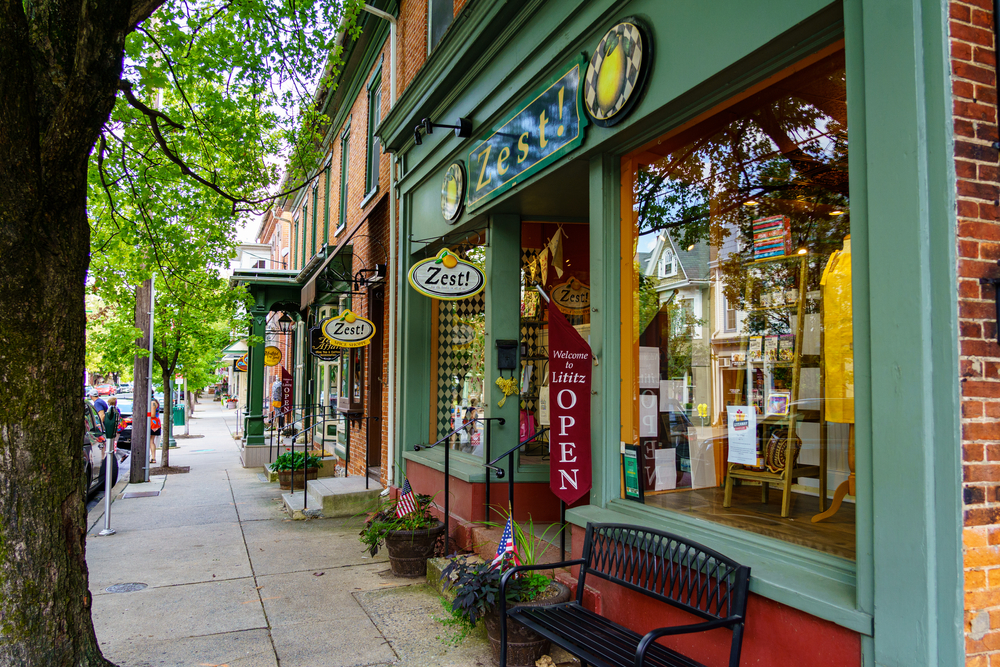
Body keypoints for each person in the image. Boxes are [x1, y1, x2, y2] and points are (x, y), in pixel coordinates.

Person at [148, 399, 161, 464]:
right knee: (151, 441)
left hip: (152, 423)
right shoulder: (155, 401)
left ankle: (153, 457)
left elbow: (152, 414)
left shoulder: (152, 402)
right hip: (155, 423)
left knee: (150, 441)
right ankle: (152, 457)